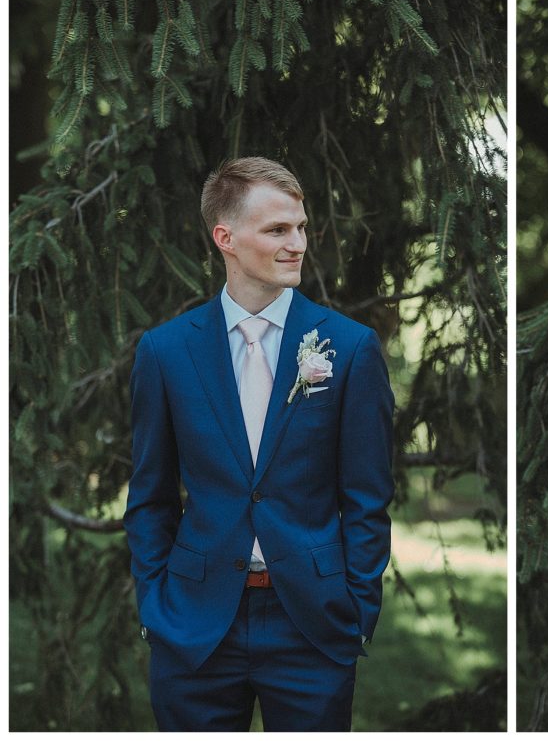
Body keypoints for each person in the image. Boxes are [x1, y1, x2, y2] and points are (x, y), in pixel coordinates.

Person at [124, 156, 394, 731]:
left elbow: (367, 499)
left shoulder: (349, 348)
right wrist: (156, 607)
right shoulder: (165, 352)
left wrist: (357, 610)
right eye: (277, 230)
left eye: (300, 227)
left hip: (312, 624)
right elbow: (149, 497)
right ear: (225, 238)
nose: (297, 244)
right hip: (194, 623)